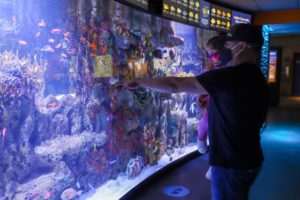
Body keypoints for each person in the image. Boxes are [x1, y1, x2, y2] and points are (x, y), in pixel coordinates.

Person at [124, 24, 269, 200]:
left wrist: (140, 81)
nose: (227, 49)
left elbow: (175, 85)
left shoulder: (230, 76)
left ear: (242, 46)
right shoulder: (257, 77)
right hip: (250, 159)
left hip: (231, 164)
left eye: (230, 45)